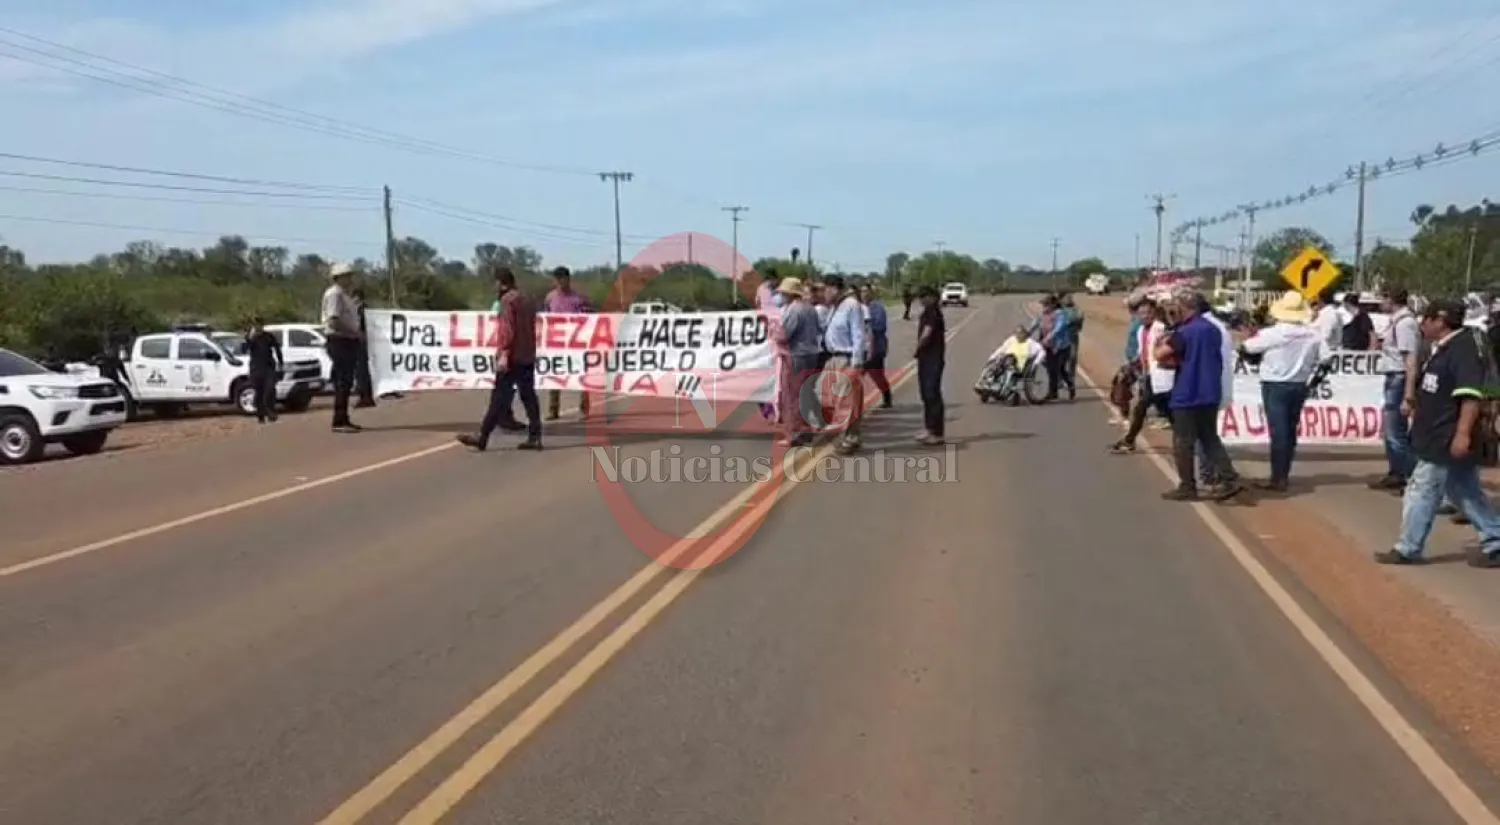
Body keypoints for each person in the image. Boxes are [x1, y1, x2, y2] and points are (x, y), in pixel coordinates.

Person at [1375, 299, 1500, 567]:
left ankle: (1408, 548)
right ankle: (1495, 540)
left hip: (1446, 435)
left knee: (1421, 489)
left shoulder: (1462, 350)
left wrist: (1462, 434)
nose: (1422, 325)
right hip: (1437, 433)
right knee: (1463, 490)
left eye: (1426, 319)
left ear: (1440, 321)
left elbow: (1470, 397)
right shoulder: (1444, 348)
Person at [1154, 294, 1243, 501]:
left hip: (1187, 392)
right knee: (1210, 438)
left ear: (1185, 308)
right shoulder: (1213, 329)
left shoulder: (1184, 332)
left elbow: (1160, 355)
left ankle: (1187, 486)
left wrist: (1161, 340)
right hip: (1210, 392)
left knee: (1183, 442)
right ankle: (1230, 479)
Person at [1238, 291, 1330, 492]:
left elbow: (1246, 348)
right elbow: (1326, 361)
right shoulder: (1313, 335)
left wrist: (1255, 355)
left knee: (1278, 432)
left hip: (1275, 385)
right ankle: (1283, 473)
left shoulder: (1273, 333)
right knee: (1289, 431)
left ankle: (1278, 478)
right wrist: (1312, 383)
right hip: (1298, 385)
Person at [458, 267, 542, 452]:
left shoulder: (506, 301)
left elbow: (507, 330)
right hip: (527, 354)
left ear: (500, 282)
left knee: (499, 397)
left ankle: (483, 436)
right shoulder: (528, 300)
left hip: (512, 356)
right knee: (528, 396)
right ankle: (535, 436)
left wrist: (504, 352)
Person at [1372, 289, 1420, 491]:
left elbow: (1410, 359)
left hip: (1399, 377)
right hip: (1394, 376)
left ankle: (1411, 477)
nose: (1380, 303)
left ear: (1391, 299)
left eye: (1383, 298)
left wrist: (1408, 393)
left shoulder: (1404, 324)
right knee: (1391, 430)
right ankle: (1397, 472)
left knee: (1395, 431)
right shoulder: (1397, 321)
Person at [1110, 299, 1173, 454]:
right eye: (1142, 313)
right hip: (1149, 376)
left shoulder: (1161, 329)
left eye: (1148, 313)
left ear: (1154, 313)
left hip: (1162, 376)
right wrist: (1133, 367)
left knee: (1141, 408)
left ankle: (1129, 440)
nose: (1145, 316)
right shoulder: (1141, 330)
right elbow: (1142, 353)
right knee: (1166, 412)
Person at [775, 277, 823, 446]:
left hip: (796, 356)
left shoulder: (794, 310)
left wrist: (774, 334)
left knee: (792, 395)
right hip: (811, 354)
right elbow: (818, 329)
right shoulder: (810, 309)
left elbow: (784, 335)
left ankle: (795, 433)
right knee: (805, 393)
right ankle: (806, 429)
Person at [821, 275, 866, 455]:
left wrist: (856, 363)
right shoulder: (834, 307)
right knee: (830, 399)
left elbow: (858, 335)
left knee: (847, 400)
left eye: (825, 289)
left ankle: (850, 437)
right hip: (833, 358)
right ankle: (844, 433)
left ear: (834, 288)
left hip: (845, 358)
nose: (823, 294)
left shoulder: (851, 306)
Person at [542, 266, 592, 421]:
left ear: (568, 279)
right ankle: (553, 409)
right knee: (554, 375)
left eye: (563, 279)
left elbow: (589, 318)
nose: (560, 282)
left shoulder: (579, 299)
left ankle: (584, 409)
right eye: (557, 279)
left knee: (582, 377)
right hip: (556, 344)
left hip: (576, 344)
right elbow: (545, 317)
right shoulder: (550, 298)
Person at [320, 262, 363, 433]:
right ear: (338, 278)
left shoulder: (344, 295)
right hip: (340, 340)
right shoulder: (335, 294)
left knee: (346, 381)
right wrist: (354, 332)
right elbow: (334, 320)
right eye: (347, 275)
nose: (350, 279)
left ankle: (343, 418)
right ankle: (339, 420)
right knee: (342, 381)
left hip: (347, 340)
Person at [914, 285, 946, 445]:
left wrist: (918, 347)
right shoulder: (927, 312)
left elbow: (927, 333)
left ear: (933, 297)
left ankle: (937, 432)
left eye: (924, 296)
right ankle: (929, 428)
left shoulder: (933, 312)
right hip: (926, 358)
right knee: (926, 394)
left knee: (932, 393)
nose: (921, 299)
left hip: (933, 358)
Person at [859, 284, 893, 409]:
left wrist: (866, 328)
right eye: (862, 291)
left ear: (871, 293)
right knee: (856, 376)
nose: (864, 294)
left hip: (876, 347)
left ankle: (887, 396)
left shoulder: (877, 308)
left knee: (877, 375)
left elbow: (880, 327)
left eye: (866, 291)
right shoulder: (860, 308)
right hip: (862, 347)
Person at [245, 316, 283, 424]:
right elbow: (245, 348)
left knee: (269, 390)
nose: (258, 327)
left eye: (259, 325)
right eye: (256, 325)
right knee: (259, 393)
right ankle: (261, 415)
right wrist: (250, 338)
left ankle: (271, 412)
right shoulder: (251, 338)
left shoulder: (268, 336)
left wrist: (281, 363)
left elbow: (277, 349)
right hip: (256, 369)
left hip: (269, 367)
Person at [350, 286, 377, 409]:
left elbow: (361, 326)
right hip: (363, 342)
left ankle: (365, 396)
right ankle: (366, 396)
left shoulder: (361, 310)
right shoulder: (365, 309)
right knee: (362, 371)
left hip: (362, 343)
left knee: (362, 371)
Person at [1312, 287, 1343, 351]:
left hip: (1327, 351)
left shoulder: (1329, 314)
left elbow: (1326, 335)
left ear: (1321, 300)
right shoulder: (1330, 313)